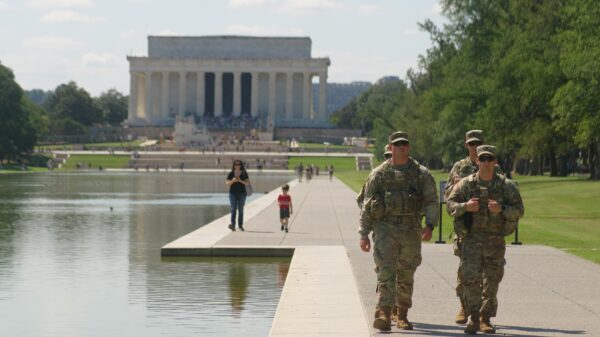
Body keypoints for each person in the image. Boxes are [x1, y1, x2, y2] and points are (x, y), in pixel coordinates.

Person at [359, 131, 439, 332]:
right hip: (385, 229)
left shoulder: (420, 173)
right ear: (390, 147)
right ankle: (384, 312)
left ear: (408, 147)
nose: (401, 147)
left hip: (411, 229)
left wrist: (430, 225)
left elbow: (431, 200)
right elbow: (367, 205)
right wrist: (364, 234)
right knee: (386, 270)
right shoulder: (379, 174)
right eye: (397, 144)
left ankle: (402, 314)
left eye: (404, 144)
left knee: (406, 272)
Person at [446, 145, 524, 334]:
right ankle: (473, 317)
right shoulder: (466, 184)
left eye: (490, 159)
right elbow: (450, 205)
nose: (486, 162)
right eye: (483, 159)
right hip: (471, 240)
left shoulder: (506, 186)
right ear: (477, 161)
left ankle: (485, 318)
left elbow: (519, 211)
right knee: (471, 280)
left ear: (495, 161)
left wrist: (502, 209)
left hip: (495, 242)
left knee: (492, 282)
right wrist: (465, 206)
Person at [445, 130, 504, 325]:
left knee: (489, 274)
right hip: (466, 228)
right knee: (466, 271)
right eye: (471, 144)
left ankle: (484, 313)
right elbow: (448, 197)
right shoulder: (459, 167)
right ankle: (465, 306)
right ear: (466, 145)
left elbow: (505, 191)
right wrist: (456, 192)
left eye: (478, 143)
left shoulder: (496, 168)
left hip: (489, 229)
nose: (474, 147)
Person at [226, 160, 251, 231]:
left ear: (241, 165)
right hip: (232, 193)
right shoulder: (231, 173)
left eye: (238, 164)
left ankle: (240, 225)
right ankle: (233, 225)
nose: (237, 166)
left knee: (241, 210)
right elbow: (227, 183)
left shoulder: (244, 173)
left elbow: (248, 183)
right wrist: (233, 180)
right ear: (234, 165)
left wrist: (240, 180)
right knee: (233, 209)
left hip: (242, 193)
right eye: (236, 164)